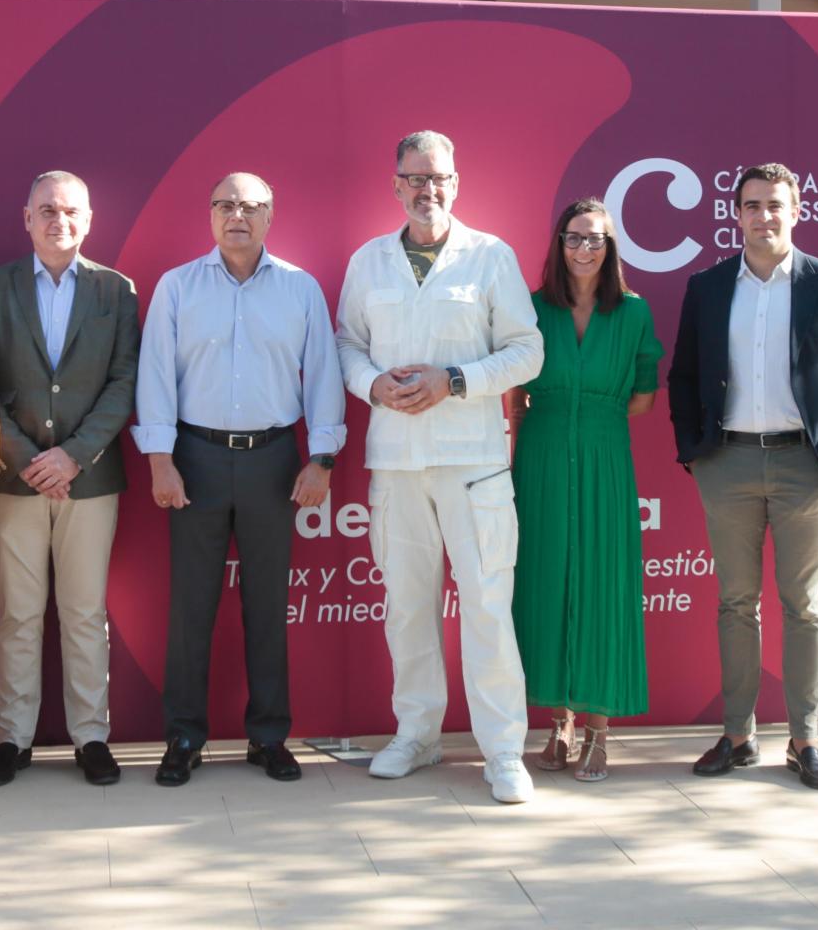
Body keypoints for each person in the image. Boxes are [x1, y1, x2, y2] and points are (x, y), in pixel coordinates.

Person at [336, 130, 544, 804]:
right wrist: (372, 385)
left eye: (439, 178)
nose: (428, 190)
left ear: (457, 183)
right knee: (406, 608)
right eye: (416, 178)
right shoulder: (369, 262)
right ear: (396, 185)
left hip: (473, 464)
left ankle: (503, 752)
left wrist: (454, 380)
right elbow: (346, 345)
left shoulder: (490, 256)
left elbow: (527, 352)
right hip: (397, 464)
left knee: (486, 607)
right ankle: (417, 735)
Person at [667, 162, 818, 791]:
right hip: (727, 463)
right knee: (736, 602)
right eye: (752, 205)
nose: (764, 216)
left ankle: (805, 739)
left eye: (775, 205)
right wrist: (694, 452)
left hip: (805, 466)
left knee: (803, 606)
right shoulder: (708, 287)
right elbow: (684, 375)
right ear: (736, 214)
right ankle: (738, 736)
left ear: (796, 211)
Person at [132, 171, 345, 787]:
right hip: (195, 459)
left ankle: (269, 736)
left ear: (270, 216)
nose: (237, 216)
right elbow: (155, 375)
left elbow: (323, 375)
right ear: (210, 215)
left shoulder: (300, 289)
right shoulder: (177, 286)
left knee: (267, 606)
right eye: (225, 205)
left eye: (251, 206)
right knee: (190, 607)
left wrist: (322, 459)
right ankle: (184, 737)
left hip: (273, 461)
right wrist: (160, 459)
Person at [0, 171, 139, 788]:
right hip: (15, 481)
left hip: (88, 480)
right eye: (46, 209)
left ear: (88, 220)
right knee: (17, 615)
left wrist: (73, 456)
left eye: (70, 211)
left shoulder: (116, 290)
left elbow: (124, 382)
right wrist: (26, 459)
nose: (58, 220)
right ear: (27, 217)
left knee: (84, 612)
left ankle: (91, 736)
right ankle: (12, 740)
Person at [510, 198, 662, 782]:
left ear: (610, 247)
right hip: (541, 458)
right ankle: (559, 724)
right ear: (559, 244)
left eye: (595, 239)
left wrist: (593, 415)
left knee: (602, 588)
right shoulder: (532, 308)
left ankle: (599, 732)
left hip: (605, 459)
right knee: (545, 585)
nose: (584, 249)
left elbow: (643, 397)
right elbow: (515, 394)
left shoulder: (633, 312)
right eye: (574, 238)